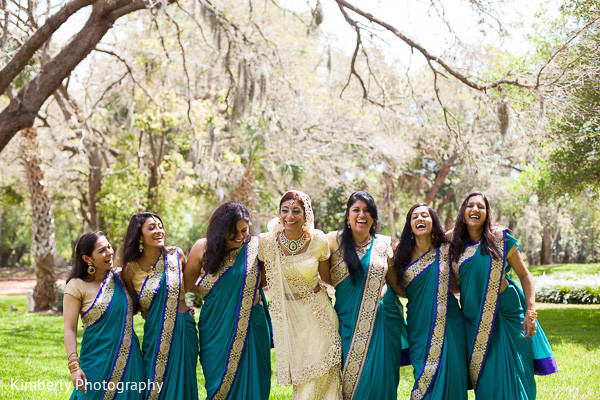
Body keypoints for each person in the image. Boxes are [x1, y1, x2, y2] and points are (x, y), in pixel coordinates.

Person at [449, 192, 558, 399]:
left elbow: (525, 276)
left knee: (516, 373)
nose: (475, 210)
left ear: (487, 213)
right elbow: (457, 286)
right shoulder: (455, 248)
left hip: (507, 315)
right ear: (462, 212)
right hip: (475, 321)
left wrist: (531, 311)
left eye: (481, 206)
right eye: (469, 206)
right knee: (487, 380)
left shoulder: (500, 238)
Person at [258, 190, 342, 399]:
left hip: (318, 314)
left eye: (296, 211)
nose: (290, 216)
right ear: (278, 213)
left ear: (306, 215)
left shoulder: (318, 240)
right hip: (290, 319)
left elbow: (328, 278)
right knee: (302, 378)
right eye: (285, 210)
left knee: (325, 375)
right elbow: (259, 280)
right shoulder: (267, 243)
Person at [184, 201, 272, 399]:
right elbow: (186, 287)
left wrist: (252, 295)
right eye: (234, 233)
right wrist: (207, 302)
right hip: (214, 329)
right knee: (216, 386)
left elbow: (266, 280)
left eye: (244, 230)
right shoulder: (202, 248)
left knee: (256, 385)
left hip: (251, 327)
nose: (241, 237)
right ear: (220, 229)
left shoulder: (257, 247)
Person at [327, 191, 409, 400]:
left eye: (367, 211)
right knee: (353, 385)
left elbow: (396, 285)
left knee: (383, 384)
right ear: (348, 215)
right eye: (356, 210)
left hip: (383, 323)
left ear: (373, 217)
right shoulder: (332, 241)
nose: (361, 215)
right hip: (348, 324)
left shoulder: (383, 245)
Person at [394, 204, 468, 400]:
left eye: (425, 216)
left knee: (452, 376)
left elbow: (466, 226)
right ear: (409, 225)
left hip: (450, 324)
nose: (420, 219)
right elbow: (398, 289)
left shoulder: (446, 249)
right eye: (415, 217)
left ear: (433, 222)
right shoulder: (399, 253)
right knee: (422, 379)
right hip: (418, 326)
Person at [121, 212, 198, 400]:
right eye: (151, 227)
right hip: (154, 335)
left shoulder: (175, 255)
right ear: (139, 236)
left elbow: (189, 285)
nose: (159, 231)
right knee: (153, 386)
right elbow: (129, 305)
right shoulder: (130, 270)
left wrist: (220, 290)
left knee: (183, 385)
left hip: (183, 330)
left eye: (160, 226)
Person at [63, 231, 145, 399]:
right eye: (101, 250)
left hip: (130, 361)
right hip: (95, 363)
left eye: (109, 247)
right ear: (87, 259)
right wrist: (74, 367)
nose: (109, 252)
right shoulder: (77, 285)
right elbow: (69, 329)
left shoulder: (123, 277)